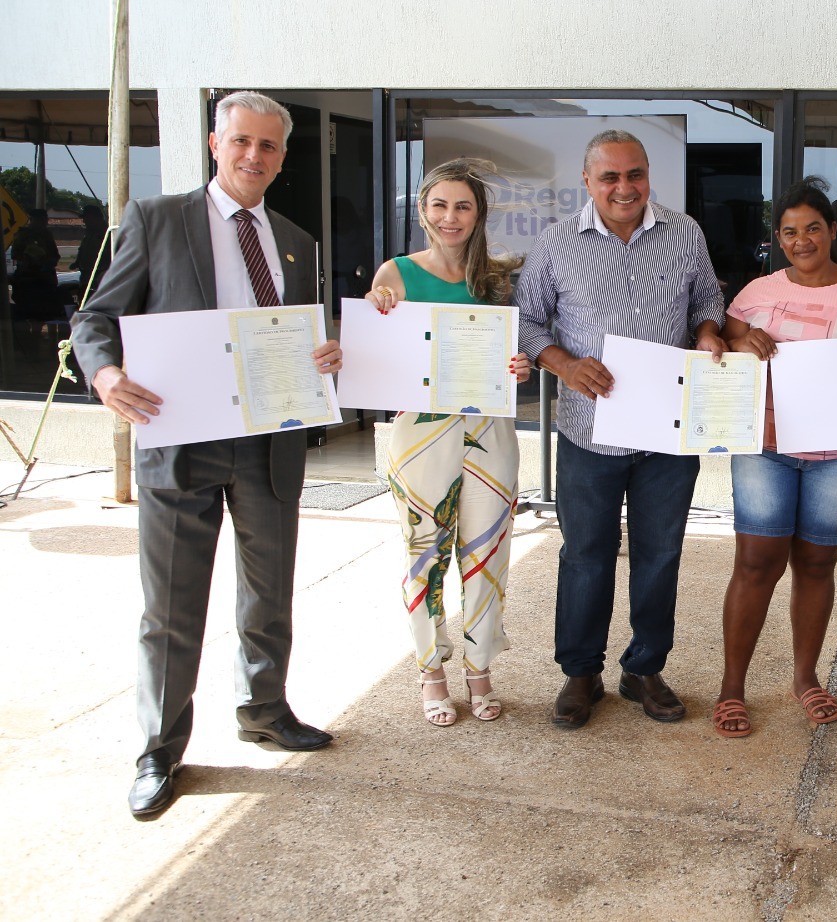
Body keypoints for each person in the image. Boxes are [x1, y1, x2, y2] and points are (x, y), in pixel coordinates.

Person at [70, 91, 344, 819]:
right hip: (181, 442)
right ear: (215, 143)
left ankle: (264, 709)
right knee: (171, 605)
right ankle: (159, 750)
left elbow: (293, 336)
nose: (255, 156)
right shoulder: (157, 220)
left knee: (269, 591)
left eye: (270, 147)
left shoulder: (295, 239)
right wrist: (104, 373)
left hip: (268, 446)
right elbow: (95, 316)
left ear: (283, 158)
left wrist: (323, 357)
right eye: (242, 142)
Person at [516, 129, 726, 729]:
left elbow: (708, 298)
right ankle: (581, 674)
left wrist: (709, 330)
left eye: (634, 174)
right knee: (586, 555)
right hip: (589, 432)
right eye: (609, 177)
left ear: (647, 174)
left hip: (667, 432)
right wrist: (563, 363)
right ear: (587, 181)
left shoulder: (684, 234)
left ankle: (643, 670)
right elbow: (527, 322)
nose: (624, 187)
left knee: (660, 555)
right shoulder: (556, 243)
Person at [713, 179, 837, 737]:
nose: (802, 240)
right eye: (789, 232)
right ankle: (733, 687)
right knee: (756, 563)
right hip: (767, 448)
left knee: (817, 565)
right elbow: (726, 332)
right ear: (778, 238)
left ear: (832, 231)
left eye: (813, 229)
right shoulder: (755, 292)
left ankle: (806, 678)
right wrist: (741, 334)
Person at [366, 158, 532, 726]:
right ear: (421, 210)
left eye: (463, 205)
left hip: (490, 430)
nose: (450, 217)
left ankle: (481, 669)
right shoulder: (395, 275)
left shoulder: (501, 277)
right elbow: (376, 355)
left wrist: (520, 363)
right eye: (439, 205)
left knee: (486, 554)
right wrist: (376, 314)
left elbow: (519, 348)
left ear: (478, 213)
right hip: (421, 434)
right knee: (424, 555)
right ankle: (430, 670)